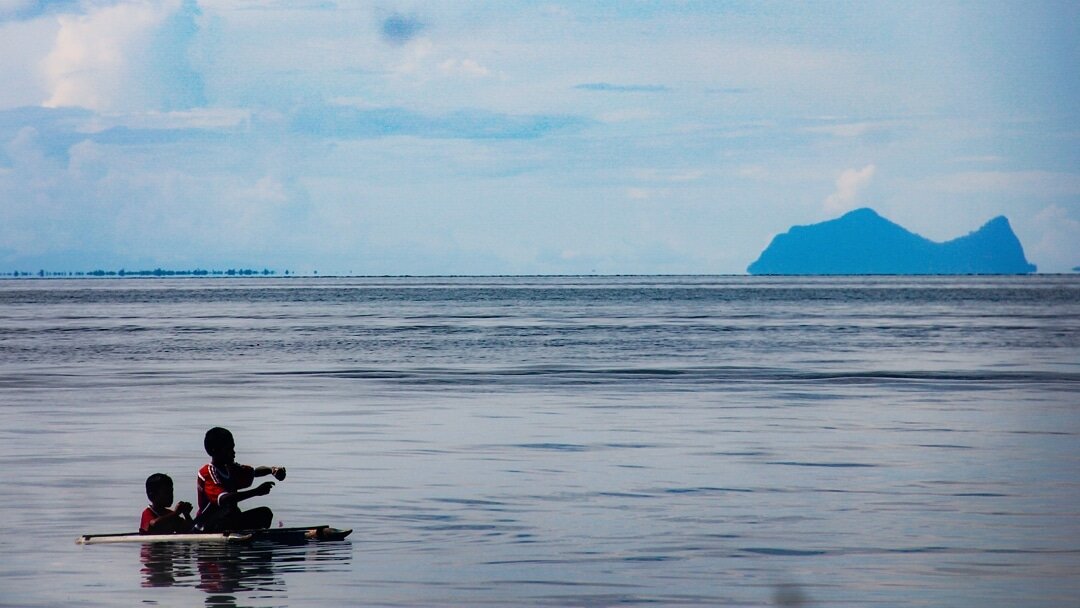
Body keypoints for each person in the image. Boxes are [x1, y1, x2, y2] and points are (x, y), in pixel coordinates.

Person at [194, 427, 286, 532]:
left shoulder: (231, 468)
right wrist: (256, 492)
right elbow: (224, 499)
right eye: (228, 449)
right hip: (209, 525)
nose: (233, 452)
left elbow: (254, 472)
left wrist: (272, 470)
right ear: (215, 451)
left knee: (264, 514)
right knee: (226, 521)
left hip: (229, 520)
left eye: (233, 448)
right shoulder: (207, 472)